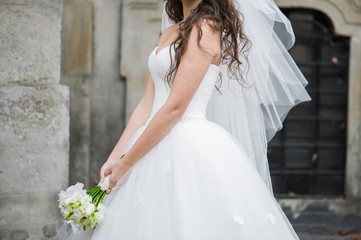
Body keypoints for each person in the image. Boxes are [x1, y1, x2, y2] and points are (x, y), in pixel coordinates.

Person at [55, 0, 311, 239]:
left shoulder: (206, 27)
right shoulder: (170, 31)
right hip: (150, 138)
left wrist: (127, 163)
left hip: (187, 141)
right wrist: (116, 156)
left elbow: (176, 107)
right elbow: (146, 105)